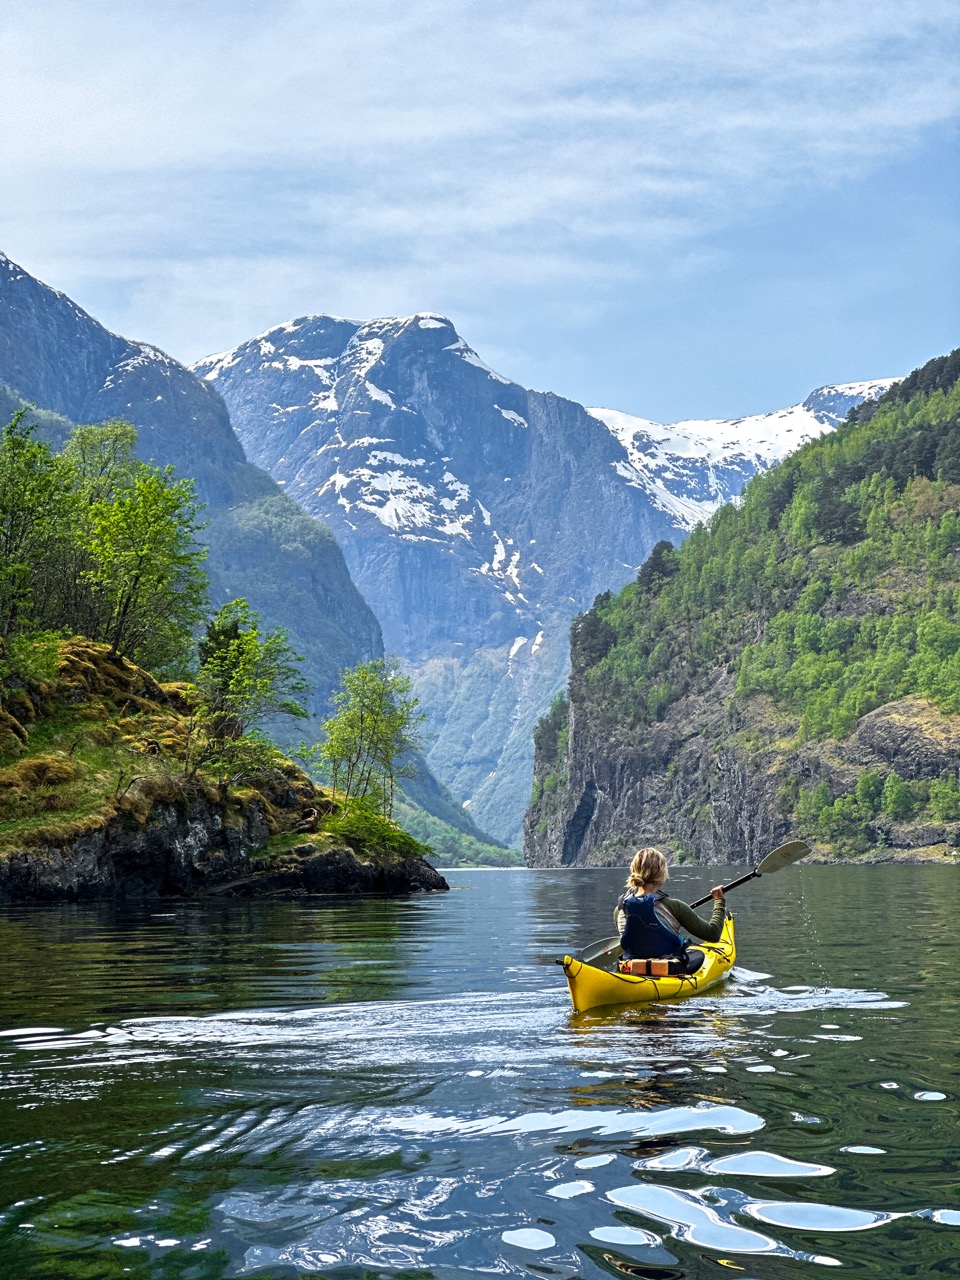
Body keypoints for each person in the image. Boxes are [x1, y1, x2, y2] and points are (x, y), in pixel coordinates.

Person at [615, 846, 726, 975]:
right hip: (668, 971)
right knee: (698, 955)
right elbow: (713, 934)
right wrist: (719, 901)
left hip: (631, 970)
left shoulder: (620, 909)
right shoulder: (675, 907)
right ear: (662, 874)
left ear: (633, 871)